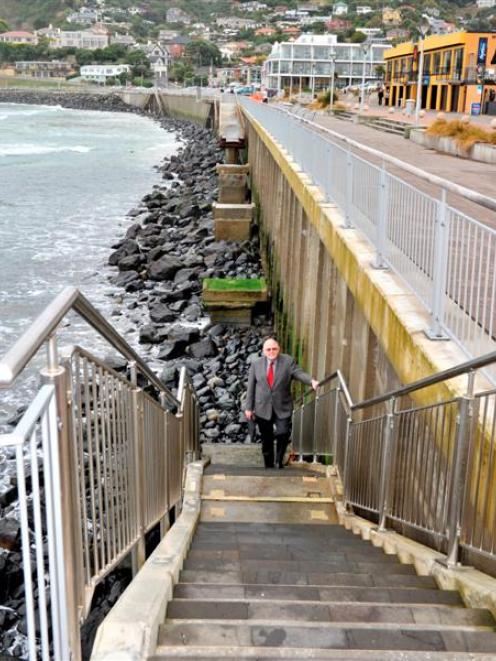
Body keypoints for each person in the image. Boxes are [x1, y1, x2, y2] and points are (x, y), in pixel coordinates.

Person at [244, 337, 319, 469]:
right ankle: (268, 464)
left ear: (279, 349)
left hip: (282, 406)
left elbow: (299, 373)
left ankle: (279, 461)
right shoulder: (256, 364)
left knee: (283, 433)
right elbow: (251, 387)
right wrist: (248, 407)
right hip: (262, 407)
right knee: (266, 439)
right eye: (268, 349)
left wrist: (311, 381)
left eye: (274, 349)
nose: (271, 351)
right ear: (263, 351)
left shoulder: (287, 361)